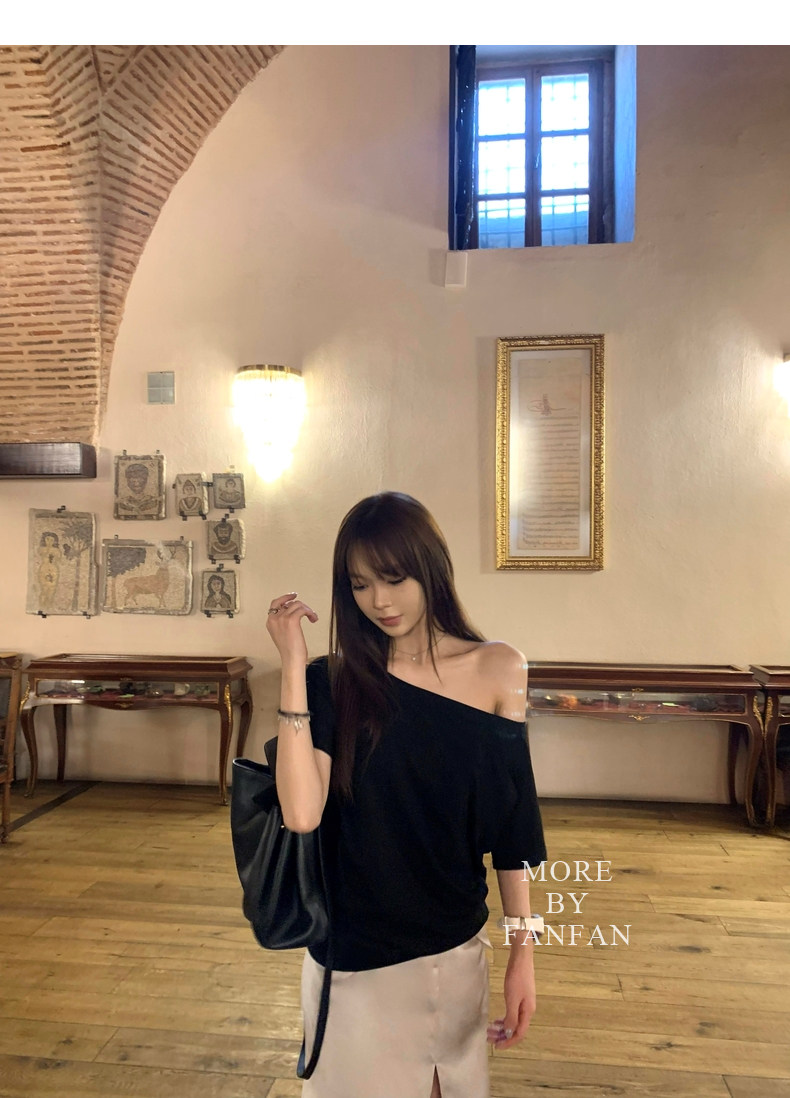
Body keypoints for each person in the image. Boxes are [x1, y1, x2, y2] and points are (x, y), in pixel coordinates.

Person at [266, 492, 546, 1098]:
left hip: (452, 947)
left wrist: (523, 954)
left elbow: (514, 828)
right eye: (360, 584)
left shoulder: (500, 669)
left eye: (394, 579)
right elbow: (302, 814)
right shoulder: (332, 682)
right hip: (352, 955)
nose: (380, 601)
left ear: (431, 568)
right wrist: (292, 667)